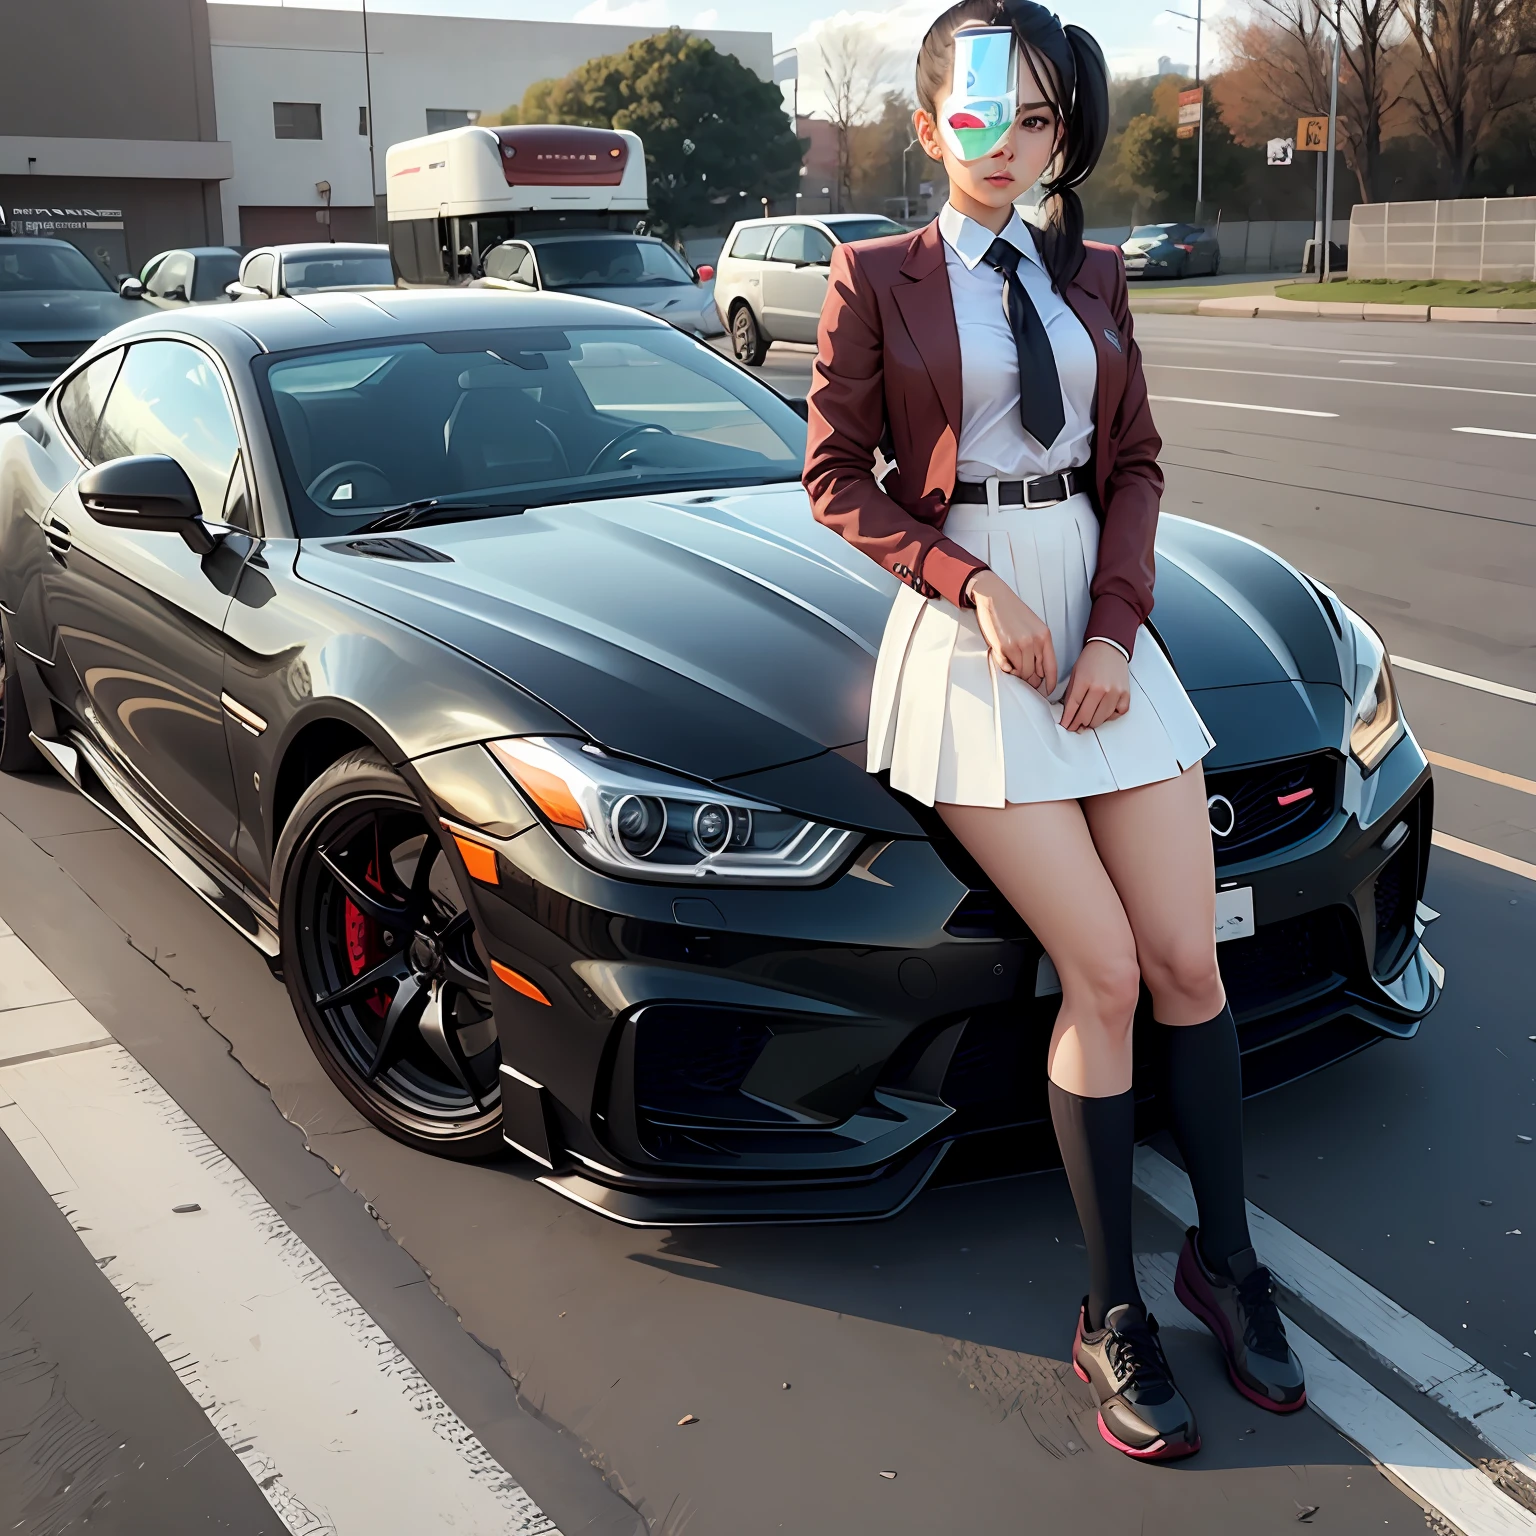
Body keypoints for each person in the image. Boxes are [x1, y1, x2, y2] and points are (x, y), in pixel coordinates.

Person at [802, 0, 1306, 1462]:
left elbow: (1134, 463)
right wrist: (969, 590)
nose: (1009, 144)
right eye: (980, 116)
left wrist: (1110, 627)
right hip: (970, 642)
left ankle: (1226, 1259)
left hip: (1100, 618)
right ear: (927, 123)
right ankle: (1111, 1313)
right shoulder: (875, 274)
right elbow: (836, 478)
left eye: (1035, 117)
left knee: (1188, 964)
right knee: (1098, 974)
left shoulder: (1092, 270)